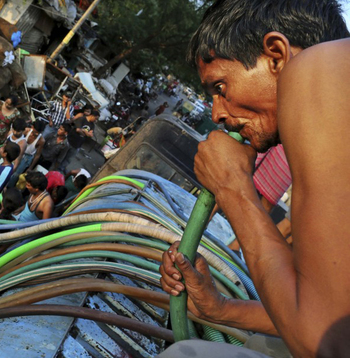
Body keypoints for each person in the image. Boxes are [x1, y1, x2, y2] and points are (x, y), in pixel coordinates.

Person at [158, 1, 350, 356]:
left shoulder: (320, 66)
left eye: (220, 86)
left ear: (276, 56)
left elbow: (325, 342)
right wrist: (221, 309)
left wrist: (231, 187)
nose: (216, 113)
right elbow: (335, 318)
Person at [7, 120, 46, 188]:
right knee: (8, 166)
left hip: (27, 158)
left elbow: (37, 155)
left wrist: (30, 167)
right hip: (18, 151)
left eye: (38, 132)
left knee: (15, 175)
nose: (36, 134)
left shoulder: (41, 141)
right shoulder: (27, 131)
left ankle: (7, 187)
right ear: (32, 127)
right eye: (35, 131)